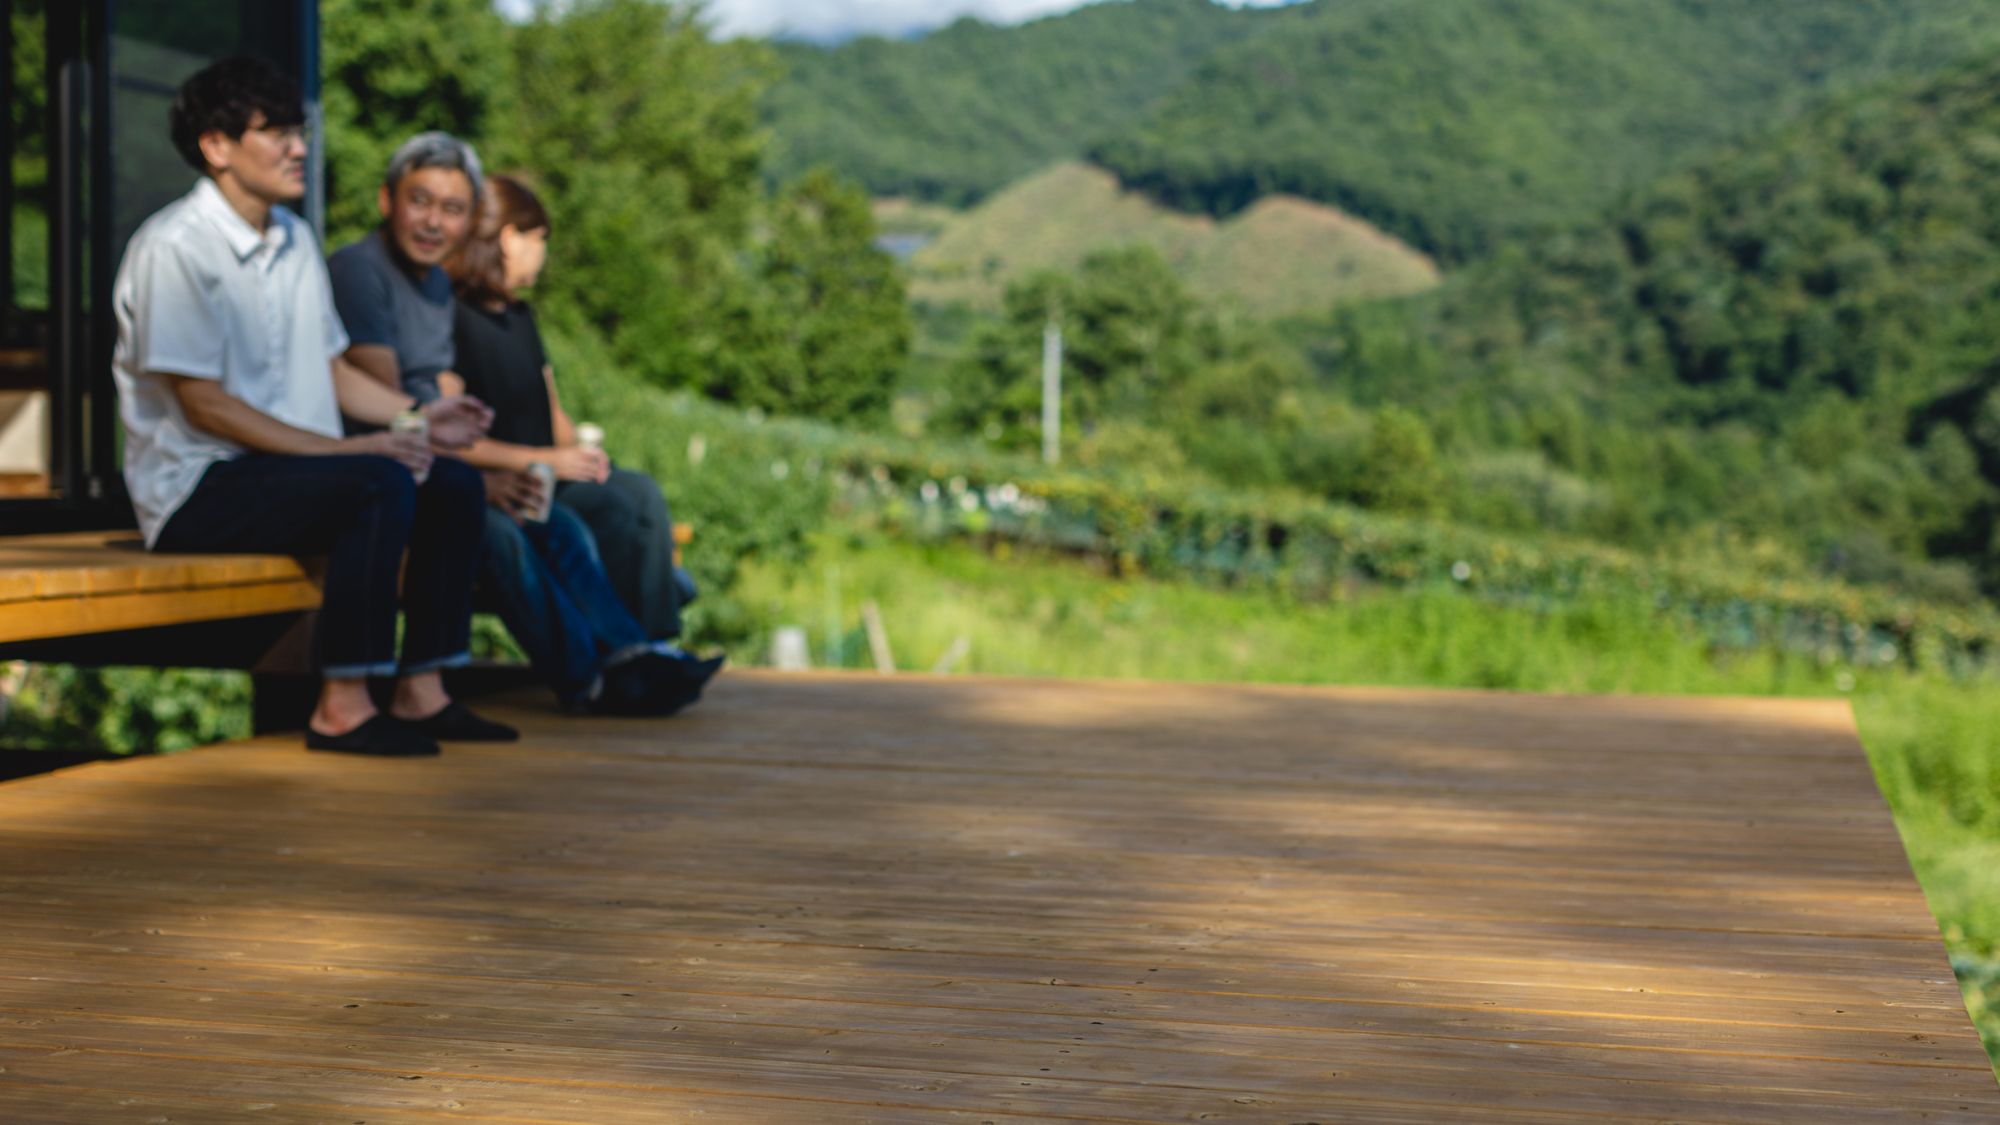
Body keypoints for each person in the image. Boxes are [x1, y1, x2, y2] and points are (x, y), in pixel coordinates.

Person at [114, 57, 514, 757]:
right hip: (198, 488)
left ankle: (423, 691)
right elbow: (206, 407)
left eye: (300, 132)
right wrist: (348, 450)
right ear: (217, 146)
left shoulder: (295, 238)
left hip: (286, 473)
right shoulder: (175, 249)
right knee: (380, 480)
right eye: (277, 133)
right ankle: (343, 705)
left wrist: (417, 420)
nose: (301, 148)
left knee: (449, 478)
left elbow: (331, 369)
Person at [329, 139, 716, 713]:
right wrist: (497, 471)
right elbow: (388, 407)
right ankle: (589, 678)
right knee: (506, 527)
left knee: (560, 524)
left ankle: (635, 654)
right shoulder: (361, 272)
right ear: (387, 200)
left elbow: (443, 395)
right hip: (386, 470)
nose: (434, 221)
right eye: (421, 201)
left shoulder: (436, 285)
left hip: (444, 464)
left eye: (452, 208)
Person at [443, 174, 696, 646]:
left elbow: (552, 412)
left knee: (635, 490)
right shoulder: (453, 319)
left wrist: (583, 453)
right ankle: (638, 644)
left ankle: (651, 644)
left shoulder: (521, 318)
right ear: (508, 238)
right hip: (515, 486)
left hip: (549, 477)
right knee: (615, 511)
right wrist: (550, 461)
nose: (544, 253)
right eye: (539, 239)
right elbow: (451, 437)